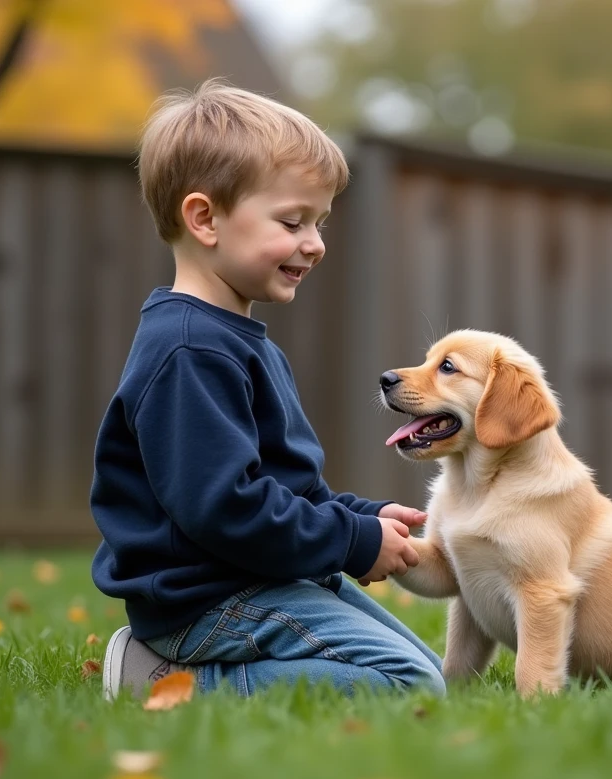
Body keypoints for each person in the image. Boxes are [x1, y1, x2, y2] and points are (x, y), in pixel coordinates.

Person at [91, 79, 444, 700]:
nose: (316, 243)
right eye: (292, 221)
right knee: (409, 683)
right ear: (204, 218)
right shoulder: (189, 351)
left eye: (320, 221)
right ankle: (168, 683)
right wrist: (350, 543)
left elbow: (282, 487)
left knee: (426, 668)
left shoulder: (238, 339)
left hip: (260, 572)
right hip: (209, 598)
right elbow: (226, 509)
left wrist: (361, 518)